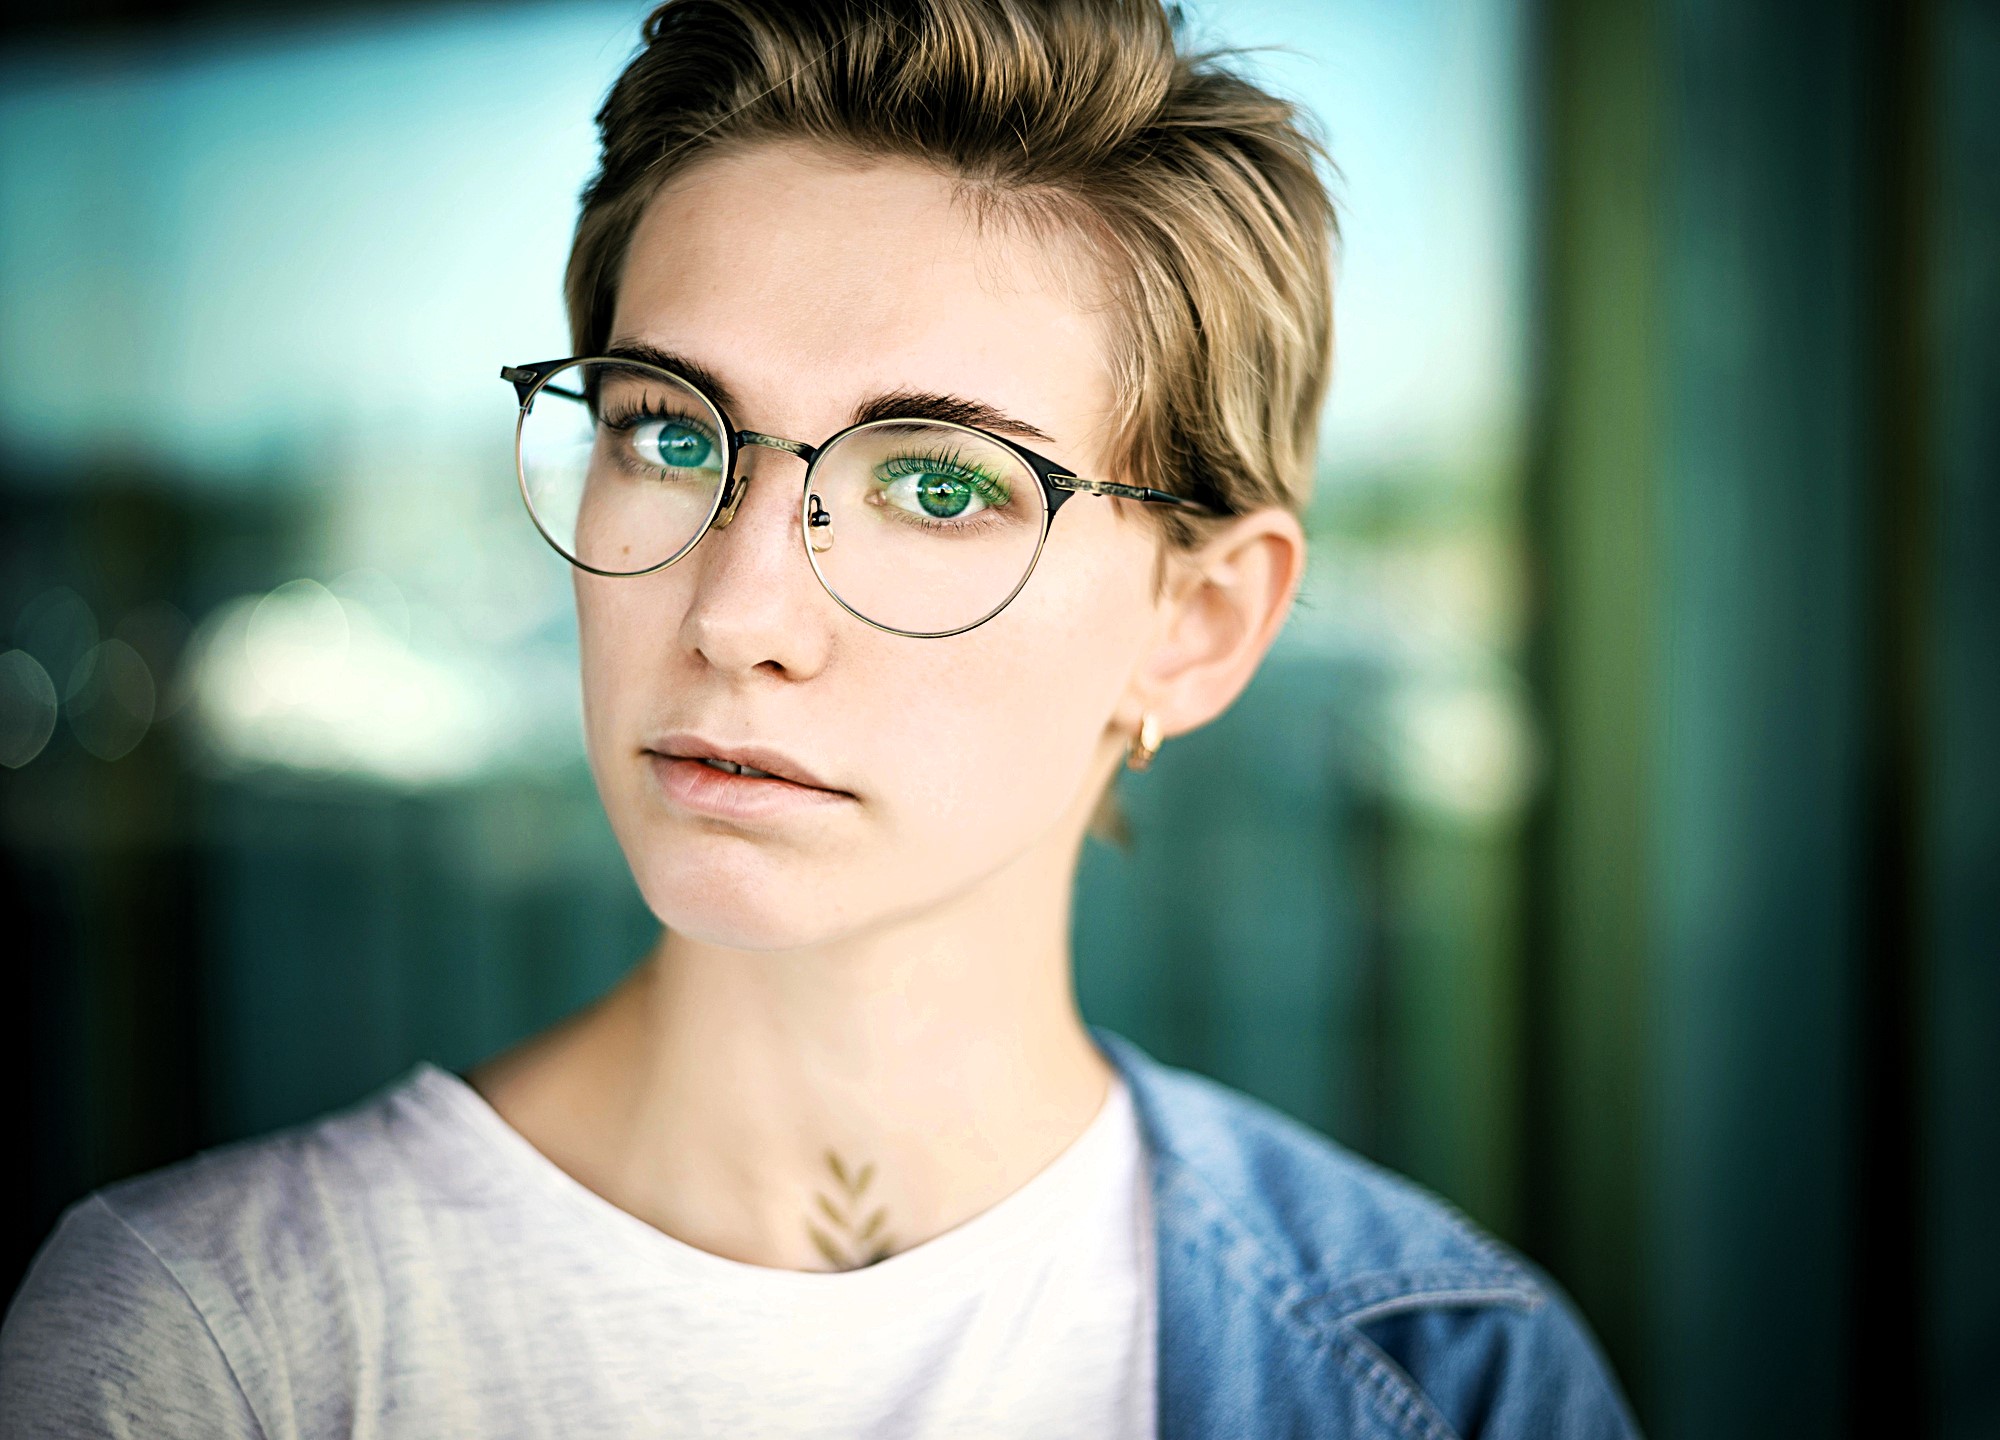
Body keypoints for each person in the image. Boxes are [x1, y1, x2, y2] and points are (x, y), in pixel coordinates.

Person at [0, 0, 1640, 1434]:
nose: (734, 615)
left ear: (1197, 628)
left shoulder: (1446, 1381)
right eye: (670, 434)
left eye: (938, 484)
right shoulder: (211, 1354)